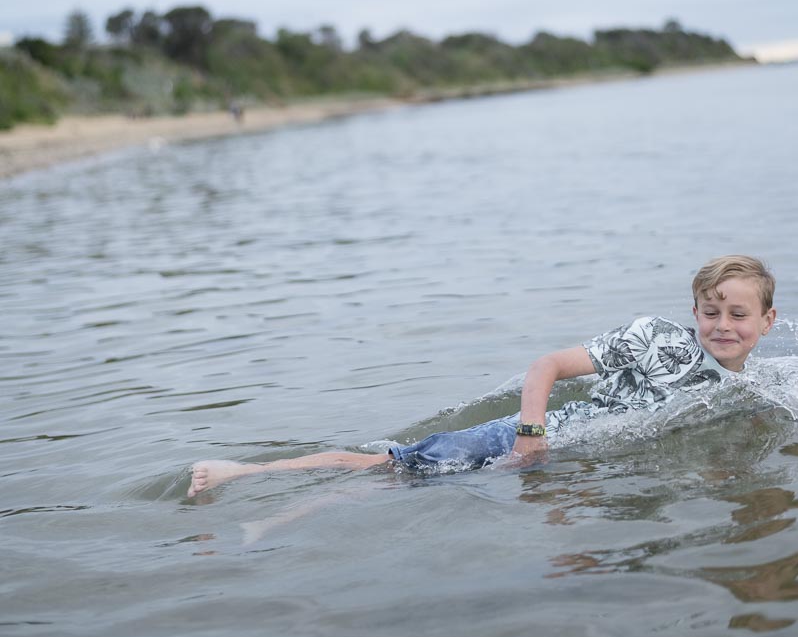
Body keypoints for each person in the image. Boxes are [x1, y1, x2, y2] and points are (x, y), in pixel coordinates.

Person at [187, 254, 776, 497]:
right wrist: (530, 435)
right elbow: (546, 366)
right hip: (529, 439)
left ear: (767, 322)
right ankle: (247, 472)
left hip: (575, 463)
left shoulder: (750, 384)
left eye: (738, 314)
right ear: (694, 311)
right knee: (388, 465)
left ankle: (280, 515)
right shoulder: (657, 336)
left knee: (396, 488)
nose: (723, 325)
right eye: (711, 312)